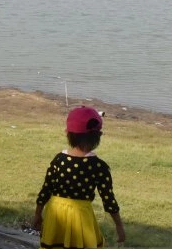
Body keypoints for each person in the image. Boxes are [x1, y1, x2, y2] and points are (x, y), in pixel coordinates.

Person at [32, 106, 125, 248]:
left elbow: (46, 189)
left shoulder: (59, 160)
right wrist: (119, 226)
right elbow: (108, 199)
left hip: (55, 216)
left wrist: (38, 214)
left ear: (68, 133)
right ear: (98, 136)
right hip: (81, 218)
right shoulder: (99, 166)